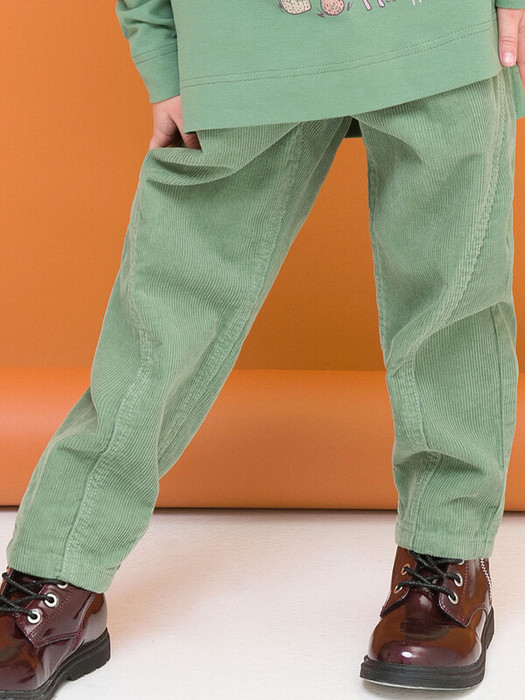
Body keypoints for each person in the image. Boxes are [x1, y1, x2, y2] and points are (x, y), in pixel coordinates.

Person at [1, 1, 524, 697]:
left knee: (452, 302)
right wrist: (160, 49)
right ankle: (58, 565)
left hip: (435, 26)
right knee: (163, 311)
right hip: (239, 34)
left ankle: (446, 555)